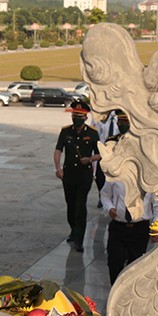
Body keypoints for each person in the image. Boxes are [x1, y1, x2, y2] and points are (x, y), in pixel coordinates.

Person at [100, 115, 158, 284]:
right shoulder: (116, 174)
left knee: (135, 265)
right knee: (114, 262)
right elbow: (105, 194)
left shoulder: (148, 178)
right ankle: (115, 290)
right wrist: (109, 208)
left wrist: (156, 228)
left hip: (139, 228)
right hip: (118, 227)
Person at [54, 100, 101, 252]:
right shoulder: (66, 131)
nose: (77, 118)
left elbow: (101, 153)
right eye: (75, 115)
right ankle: (73, 230)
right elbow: (58, 150)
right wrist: (57, 167)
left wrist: (90, 159)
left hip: (84, 175)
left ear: (86, 117)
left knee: (81, 207)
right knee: (71, 205)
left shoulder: (92, 133)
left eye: (80, 116)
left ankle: (79, 239)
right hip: (69, 175)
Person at [94, 110, 121, 207]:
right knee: (100, 176)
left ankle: (112, 199)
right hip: (104, 150)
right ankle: (102, 197)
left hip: (117, 151)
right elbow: (96, 132)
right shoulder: (102, 118)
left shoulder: (120, 117)